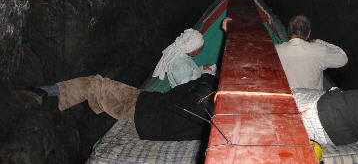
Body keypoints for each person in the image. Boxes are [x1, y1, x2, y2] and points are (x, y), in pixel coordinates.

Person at [28, 73, 217, 141]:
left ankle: (38, 96)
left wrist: (205, 79)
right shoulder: (219, 119)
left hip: (143, 111)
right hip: (151, 120)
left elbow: (174, 98)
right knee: (100, 97)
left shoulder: (205, 102)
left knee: (95, 83)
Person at [275, 15, 347, 90]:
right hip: (312, 101)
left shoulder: (276, 50)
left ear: (289, 31)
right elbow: (343, 59)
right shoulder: (318, 50)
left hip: (286, 99)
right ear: (309, 34)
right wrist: (319, 42)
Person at [152, 28, 217, 88]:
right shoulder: (179, 65)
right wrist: (204, 76)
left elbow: (190, 75)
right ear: (191, 49)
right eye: (198, 50)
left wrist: (201, 69)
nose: (199, 52)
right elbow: (187, 87)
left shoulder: (182, 56)